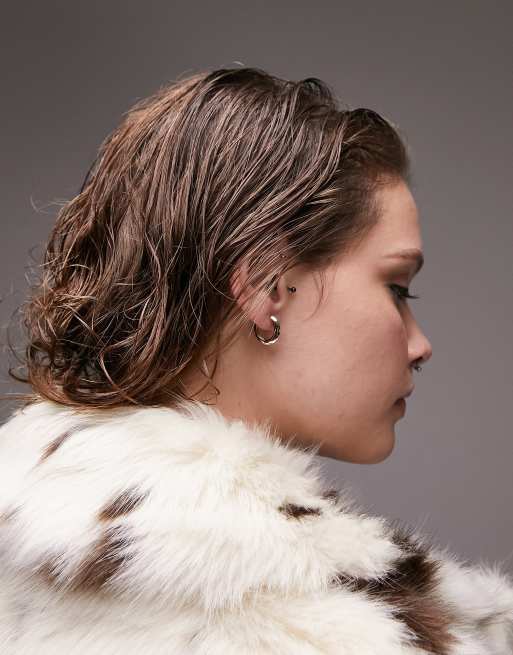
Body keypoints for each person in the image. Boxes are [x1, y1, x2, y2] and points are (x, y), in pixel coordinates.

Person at [0, 67, 511, 654]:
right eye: (397, 288)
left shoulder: (29, 553)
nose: (420, 346)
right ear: (267, 288)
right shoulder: (317, 636)